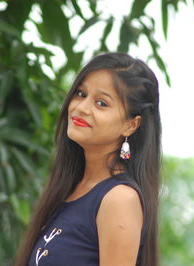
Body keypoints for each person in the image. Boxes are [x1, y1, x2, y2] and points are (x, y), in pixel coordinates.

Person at [14, 52, 161, 266]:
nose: (81, 108)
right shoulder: (70, 188)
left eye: (101, 103)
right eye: (81, 94)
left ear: (131, 125)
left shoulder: (119, 200)